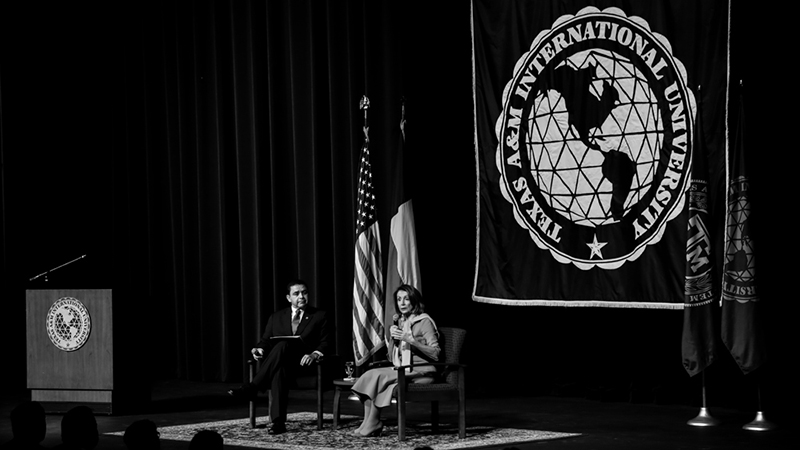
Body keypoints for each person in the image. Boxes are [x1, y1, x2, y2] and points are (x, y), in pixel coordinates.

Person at [228, 279, 332, 435]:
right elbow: (265, 341)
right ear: (288, 298)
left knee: (283, 346)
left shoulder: (319, 315)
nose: (301, 296)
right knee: (279, 368)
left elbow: (326, 343)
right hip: (281, 364)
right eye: (296, 294)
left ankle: (252, 387)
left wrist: (314, 354)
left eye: (304, 292)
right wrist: (259, 350)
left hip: (304, 365)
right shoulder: (276, 317)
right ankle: (278, 423)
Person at [351, 285, 440, 437]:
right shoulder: (401, 321)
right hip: (403, 369)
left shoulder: (424, 322)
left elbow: (436, 354)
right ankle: (368, 421)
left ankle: (373, 422)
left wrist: (412, 341)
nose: (402, 303)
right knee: (370, 375)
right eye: (399, 299)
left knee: (381, 377)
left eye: (406, 299)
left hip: (422, 372)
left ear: (414, 300)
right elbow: (392, 357)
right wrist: (392, 339)